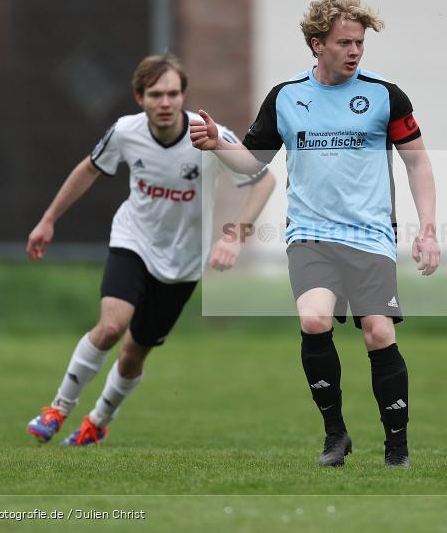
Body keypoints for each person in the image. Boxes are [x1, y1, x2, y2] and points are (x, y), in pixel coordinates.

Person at [190, 0, 439, 467]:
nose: (354, 52)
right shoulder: (286, 99)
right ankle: (335, 435)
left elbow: (418, 164)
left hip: (370, 236)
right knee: (314, 320)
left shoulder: (386, 97)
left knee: (378, 333)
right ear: (315, 43)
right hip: (310, 235)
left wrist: (428, 228)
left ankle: (397, 449)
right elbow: (252, 163)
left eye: (360, 43)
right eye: (344, 42)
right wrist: (216, 145)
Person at [25, 53, 275, 445]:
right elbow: (90, 167)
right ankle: (57, 408)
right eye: (156, 94)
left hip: (182, 264)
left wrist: (234, 235)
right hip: (133, 240)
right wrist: (48, 219)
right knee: (110, 326)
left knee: (132, 355)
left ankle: (97, 421)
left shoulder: (206, 134)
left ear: (183, 96)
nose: (166, 102)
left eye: (173, 94)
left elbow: (261, 179)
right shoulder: (126, 131)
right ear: (139, 97)